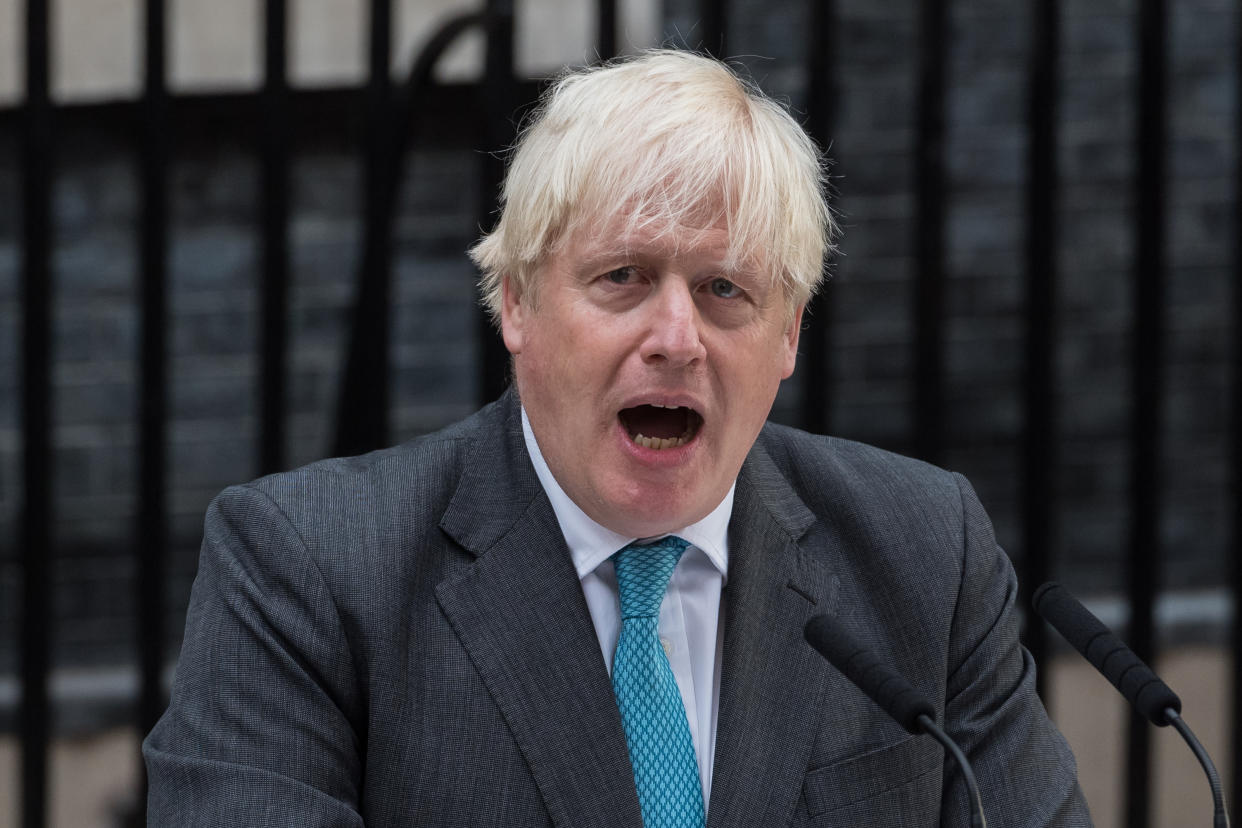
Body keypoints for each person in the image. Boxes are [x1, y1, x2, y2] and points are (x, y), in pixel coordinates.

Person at [144, 49, 1092, 827]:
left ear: (789, 334)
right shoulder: (308, 567)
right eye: (624, 278)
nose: (676, 339)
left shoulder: (924, 551)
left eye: (725, 290)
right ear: (515, 301)